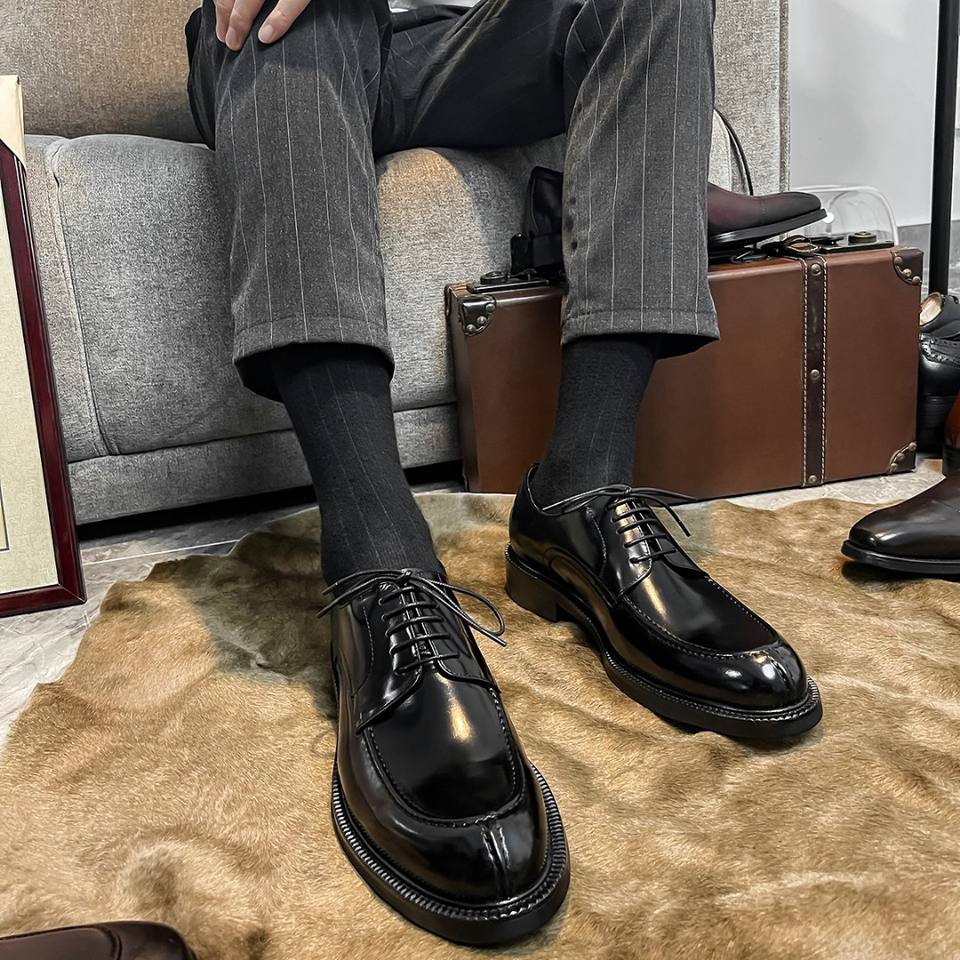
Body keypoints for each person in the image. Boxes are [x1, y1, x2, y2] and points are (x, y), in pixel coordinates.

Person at [184, 0, 822, 943]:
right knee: (291, 16)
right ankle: (380, 557)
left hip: (455, 41)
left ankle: (580, 493)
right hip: (285, 40)